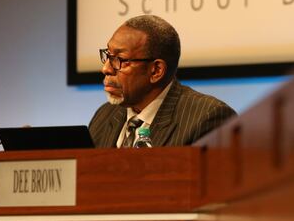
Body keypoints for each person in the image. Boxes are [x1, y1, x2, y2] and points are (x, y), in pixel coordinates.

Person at [89, 15, 236, 148]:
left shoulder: (207, 118)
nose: (106, 68)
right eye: (108, 55)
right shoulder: (104, 115)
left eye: (120, 60)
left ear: (156, 71)